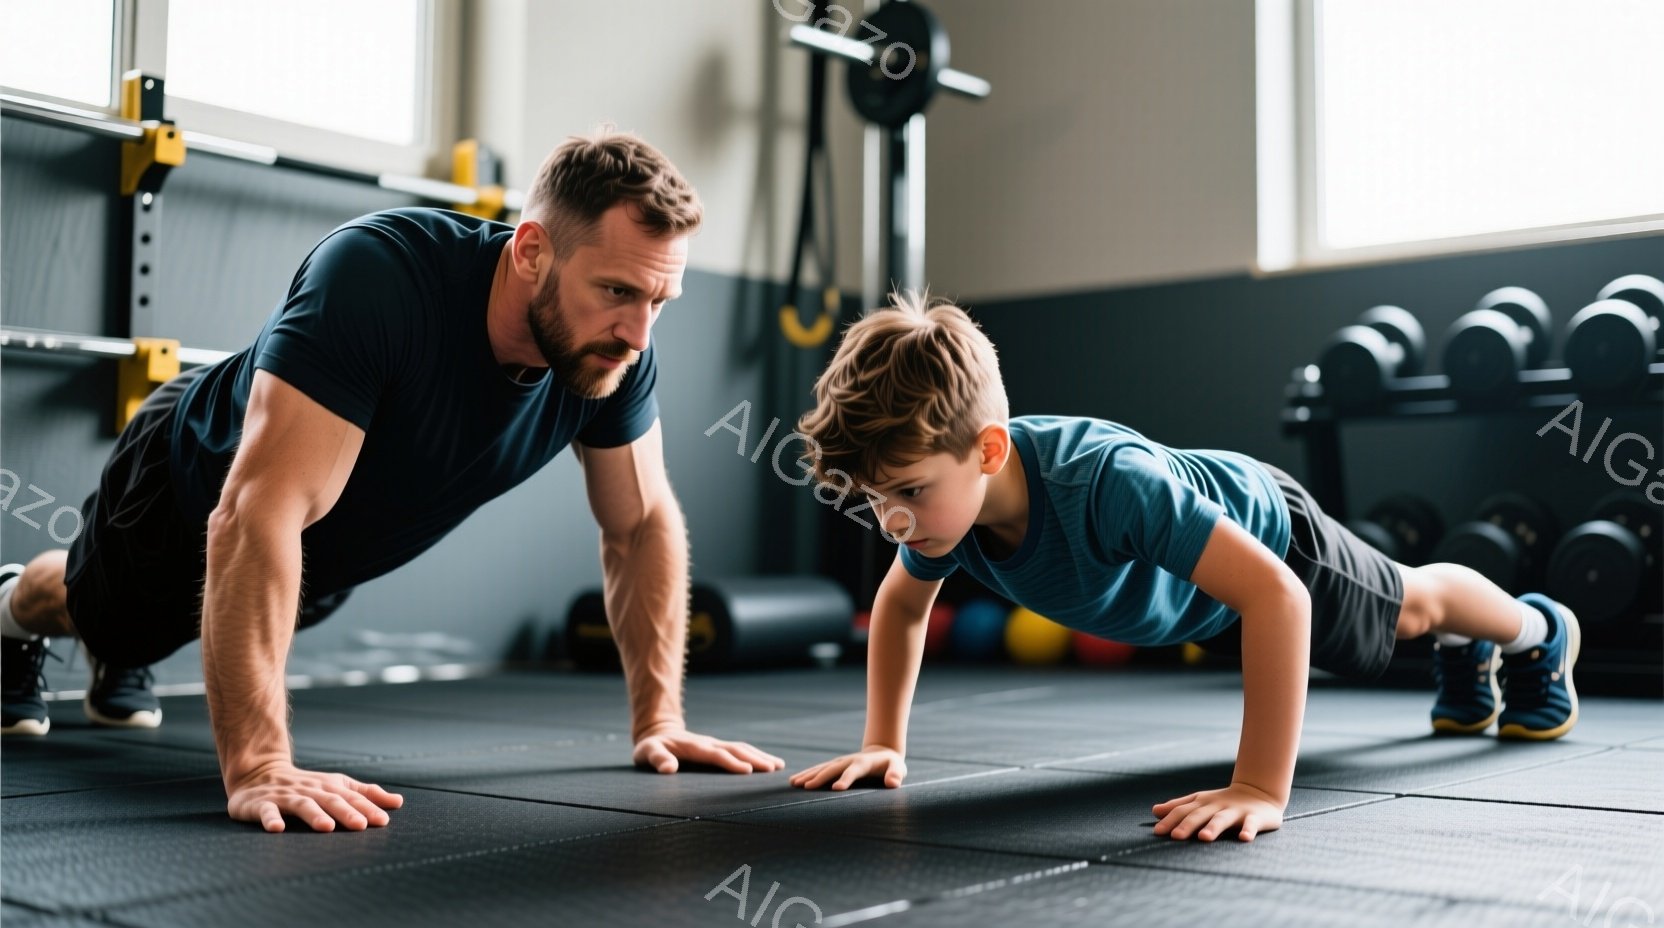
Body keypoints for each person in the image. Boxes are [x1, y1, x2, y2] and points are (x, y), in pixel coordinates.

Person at [0, 128, 785, 832]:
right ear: (533, 251)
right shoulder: (380, 274)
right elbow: (254, 513)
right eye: (616, 290)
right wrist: (260, 766)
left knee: (198, 615)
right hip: (188, 481)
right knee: (103, 613)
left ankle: (126, 648)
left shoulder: (611, 355)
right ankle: (11, 607)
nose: (638, 333)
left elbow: (640, 523)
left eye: (660, 300)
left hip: (321, 545)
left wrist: (660, 719)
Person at [785, 291, 1579, 843]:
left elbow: (1278, 595)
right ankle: (1469, 654)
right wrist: (884, 742)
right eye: (875, 496)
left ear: (988, 451)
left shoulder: (1105, 484)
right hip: (1209, 601)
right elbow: (900, 608)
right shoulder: (939, 510)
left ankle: (1539, 630)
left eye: (907, 492)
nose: (890, 518)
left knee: (1411, 606)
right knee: (1398, 622)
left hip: (1272, 538)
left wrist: (1261, 788)